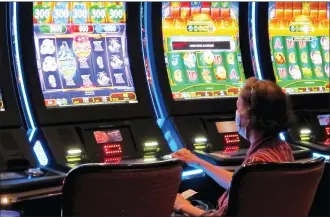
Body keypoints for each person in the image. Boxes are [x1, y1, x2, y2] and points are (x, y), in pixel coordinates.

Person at [172, 77, 295, 216]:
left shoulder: (257, 164)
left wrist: (183, 206)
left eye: (238, 107)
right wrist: (199, 162)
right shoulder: (281, 148)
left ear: (248, 116)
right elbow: (241, 184)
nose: (235, 113)